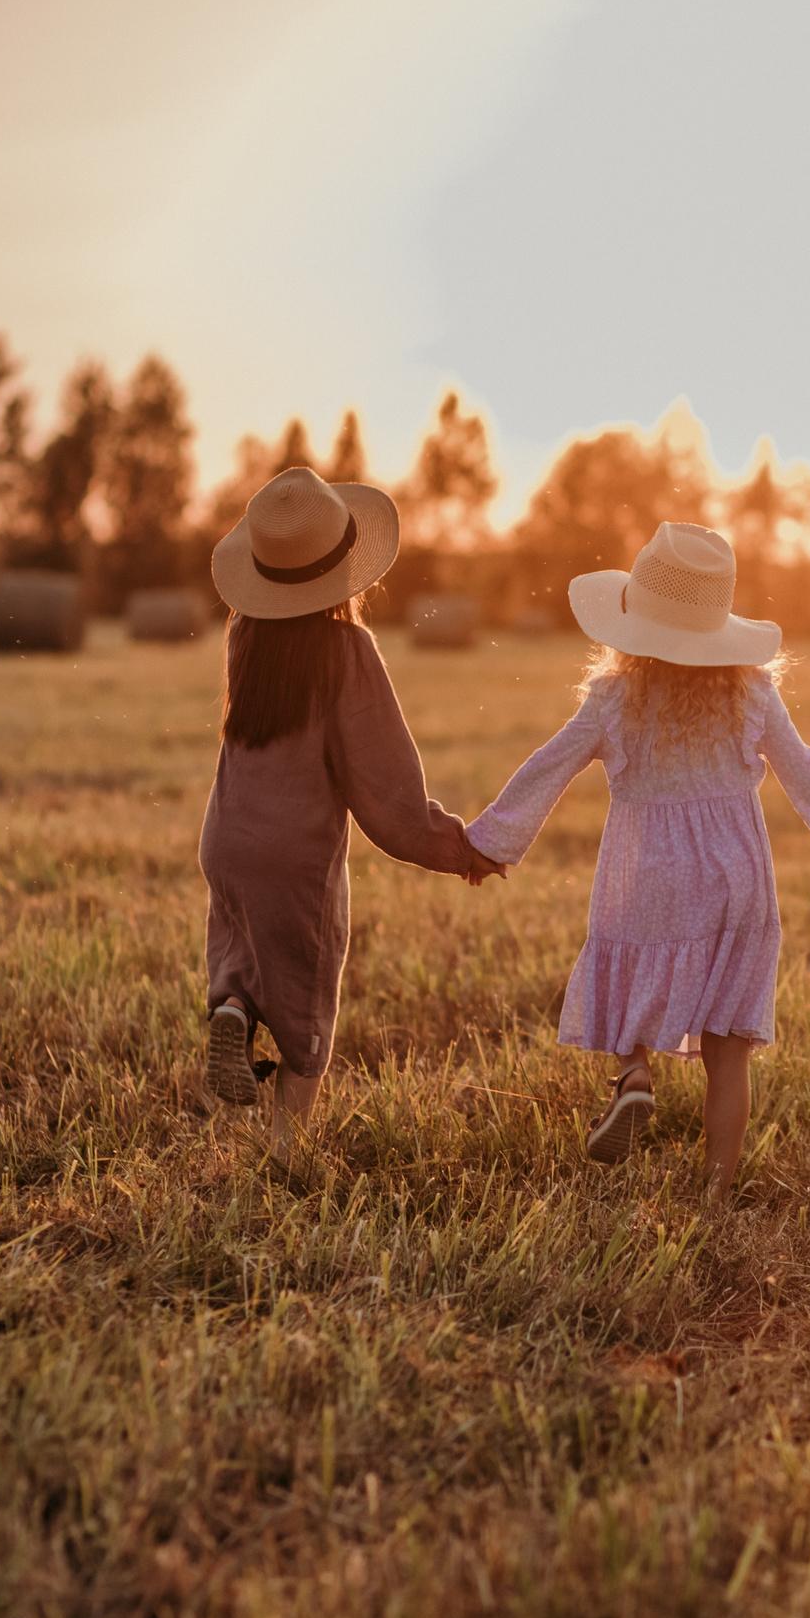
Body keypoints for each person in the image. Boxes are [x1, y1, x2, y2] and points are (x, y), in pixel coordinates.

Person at [465, 521, 810, 1202]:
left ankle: (632, 1073)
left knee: (625, 977)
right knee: (728, 1050)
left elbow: (548, 766)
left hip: (647, 874)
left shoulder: (614, 698)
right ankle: (716, 1191)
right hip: (737, 879)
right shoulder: (752, 693)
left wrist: (491, 842)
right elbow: (808, 773)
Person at [198, 468, 504, 1153]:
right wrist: (457, 848)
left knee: (246, 951)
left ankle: (233, 1006)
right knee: (305, 1003)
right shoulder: (346, 651)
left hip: (226, 840)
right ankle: (287, 1152)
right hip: (295, 858)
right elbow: (388, 796)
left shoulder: (244, 635)